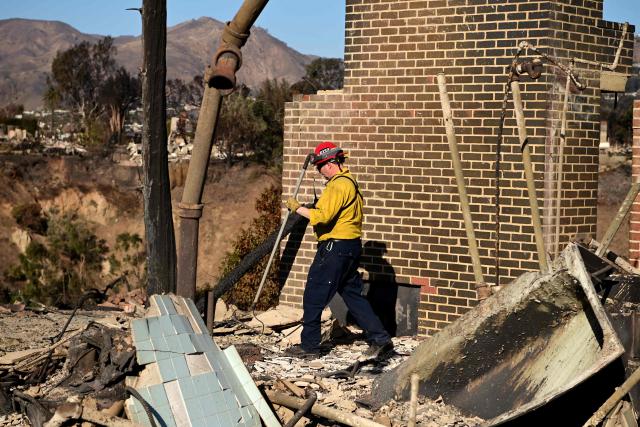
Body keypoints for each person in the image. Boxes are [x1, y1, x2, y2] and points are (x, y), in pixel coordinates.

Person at [284, 141, 393, 359]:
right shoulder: (351, 182)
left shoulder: (338, 185)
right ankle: (381, 339)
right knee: (354, 296)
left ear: (331, 163)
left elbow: (321, 216)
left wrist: (297, 208)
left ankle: (309, 347)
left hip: (335, 248)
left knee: (314, 295)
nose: (320, 171)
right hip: (350, 247)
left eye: (321, 166)